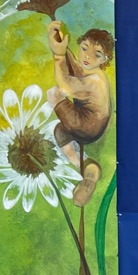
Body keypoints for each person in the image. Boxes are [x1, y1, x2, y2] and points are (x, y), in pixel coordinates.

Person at [45, 21, 113, 207]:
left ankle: (81, 166)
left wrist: (58, 55)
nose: (87, 56)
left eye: (96, 54)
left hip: (86, 125)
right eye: (84, 48)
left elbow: (65, 86)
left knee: (54, 94)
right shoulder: (95, 72)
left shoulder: (94, 81)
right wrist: (62, 46)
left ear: (104, 59)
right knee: (60, 131)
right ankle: (89, 172)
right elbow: (75, 67)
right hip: (92, 126)